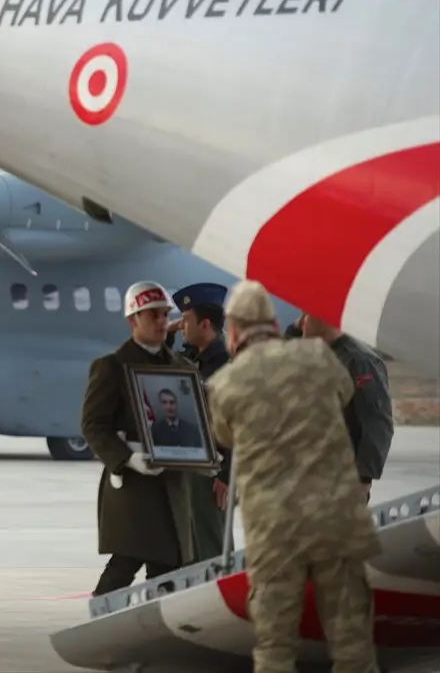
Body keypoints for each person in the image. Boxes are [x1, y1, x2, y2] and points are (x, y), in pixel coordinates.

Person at [207, 280, 382, 673]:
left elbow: (224, 434)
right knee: (353, 644)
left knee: (275, 648)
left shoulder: (225, 385)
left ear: (233, 331)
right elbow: (342, 393)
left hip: (275, 529)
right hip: (337, 519)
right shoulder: (320, 359)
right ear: (274, 321)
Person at [80, 280, 196, 596]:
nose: (161, 322)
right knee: (126, 562)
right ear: (133, 321)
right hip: (133, 485)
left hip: (170, 483)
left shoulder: (182, 368)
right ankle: (98, 627)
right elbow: (93, 425)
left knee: (168, 569)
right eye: (152, 315)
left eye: (163, 314)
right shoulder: (111, 368)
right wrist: (126, 457)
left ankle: (159, 636)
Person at [298, 313, 394, 502]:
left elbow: (377, 423)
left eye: (307, 315)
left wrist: (363, 478)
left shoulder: (359, 362)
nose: (302, 322)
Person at [170, 282, 233, 564]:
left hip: (213, 472)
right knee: (188, 547)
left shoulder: (226, 366)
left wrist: (226, 476)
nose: (180, 325)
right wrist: (169, 336)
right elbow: (157, 369)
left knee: (211, 547)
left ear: (205, 324)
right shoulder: (188, 359)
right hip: (189, 465)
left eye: (186, 320)